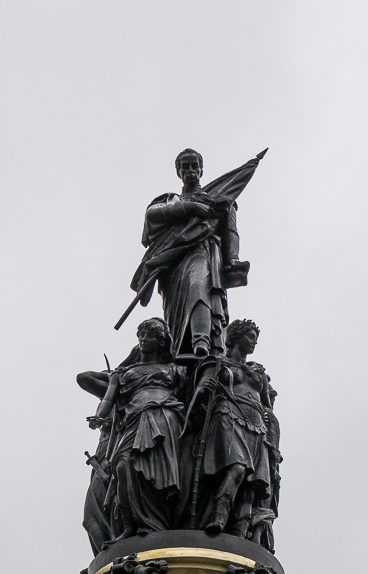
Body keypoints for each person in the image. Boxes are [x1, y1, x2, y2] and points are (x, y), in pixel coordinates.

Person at [129, 149, 261, 358]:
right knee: (174, 311)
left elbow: (231, 232)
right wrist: (190, 208)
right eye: (185, 167)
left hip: (204, 252)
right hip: (172, 261)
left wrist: (233, 258)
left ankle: (202, 342)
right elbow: (152, 215)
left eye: (193, 166)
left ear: (201, 169)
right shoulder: (170, 199)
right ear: (179, 172)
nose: (190, 170)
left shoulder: (219, 198)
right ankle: (177, 350)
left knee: (198, 287)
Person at [183, 318, 278, 543]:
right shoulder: (217, 363)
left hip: (256, 424)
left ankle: (237, 536)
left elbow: (267, 407)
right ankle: (219, 516)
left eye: (255, 339)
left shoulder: (258, 374)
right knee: (236, 468)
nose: (254, 343)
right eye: (250, 337)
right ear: (236, 337)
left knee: (252, 486)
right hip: (228, 414)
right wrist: (205, 390)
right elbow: (200, 390)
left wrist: (271, 431)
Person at [90, 318, 187, 538]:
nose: (144, 340)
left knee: (154, 471)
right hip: (133, 420)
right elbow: (106, 398)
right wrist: (98, 417)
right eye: (141, 335)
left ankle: (155, 522)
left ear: (161, 341)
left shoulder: (175, 369)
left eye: (150, 335)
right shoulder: (123, 374)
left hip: (164, 417)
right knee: (122, 466)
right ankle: (129, 525)